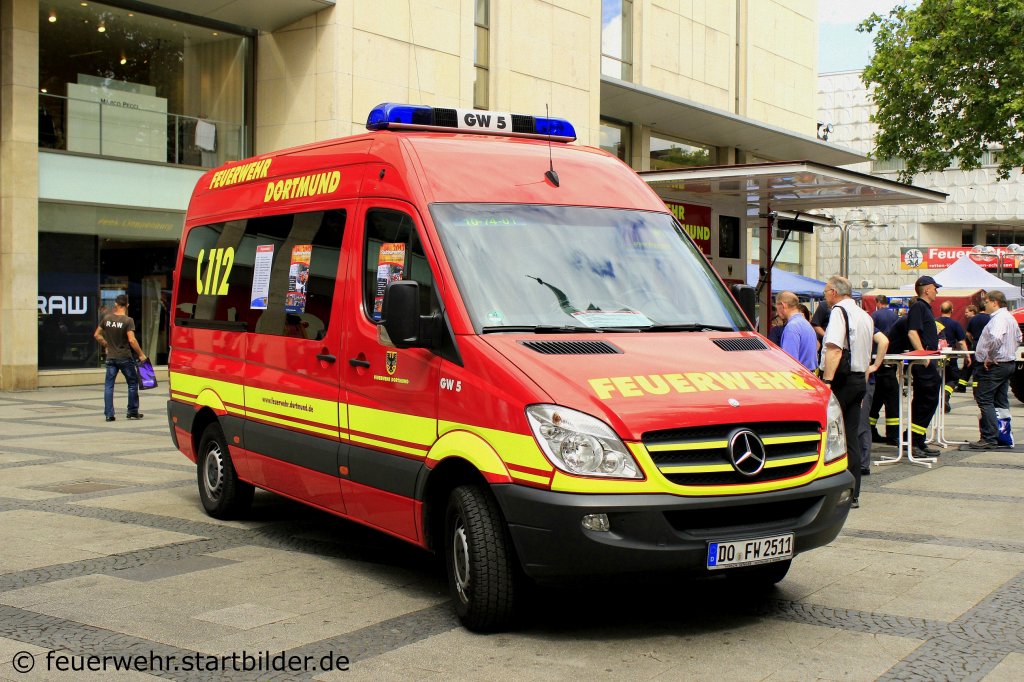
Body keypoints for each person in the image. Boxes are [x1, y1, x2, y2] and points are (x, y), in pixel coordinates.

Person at [819, 276, 887, 509]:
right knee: (852, 437)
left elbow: (834, 349)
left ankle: (833, 491)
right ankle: (854, 493)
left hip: (841, 380)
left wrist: (827, 382)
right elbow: (872, 348)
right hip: (859, 380)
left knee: (833, 437)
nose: (825, 296)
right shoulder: (864, 315)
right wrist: (869, 373)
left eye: (826, 291)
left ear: (834, 292)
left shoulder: (839, 312)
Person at [968, 290, 1021, 449]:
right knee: (1000, 400)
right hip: (1007, 363)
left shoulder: (999, 319)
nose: (984, 305)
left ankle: (989, 437)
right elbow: (1019, 338)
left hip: (996, 365)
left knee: (984, 398)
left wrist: (990, 357)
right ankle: (1002, 435)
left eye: (986, 302)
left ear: (994, 302)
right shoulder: (1009, 317)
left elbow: (996, 338)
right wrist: (1009, 351)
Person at [93, 294, 146, 422]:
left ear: (116, 304)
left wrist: (107, 345)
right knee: (132, 383)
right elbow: (132, 340)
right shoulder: (128, 321)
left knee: (109, 386)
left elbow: (97, 335)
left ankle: (109, 414)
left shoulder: (107, 318)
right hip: (124, 357)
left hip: (111, 358)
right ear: (127, 305)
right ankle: (132, 411)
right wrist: (141, 354)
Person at [906, 276, 942, 457]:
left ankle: (917, 439)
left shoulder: (925, 308)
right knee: (926, 400)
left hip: (928, 358)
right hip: (924, 360)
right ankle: (913, 440)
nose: (937, 292)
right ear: (927, 289)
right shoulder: (918, 307)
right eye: (935, 288)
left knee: (926, 400)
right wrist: (923, 355)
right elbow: (912, 332)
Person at [868, 295, 900, 444]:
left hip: (876, 360)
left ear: (877, 303)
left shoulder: (874, 316)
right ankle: (893, 433)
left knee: (876, 399)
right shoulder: (895, 317)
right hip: (891, 361)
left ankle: (870, 429)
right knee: (892, 400)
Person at [936, 300, 970, 412]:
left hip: (936, 355)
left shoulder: (934, 322)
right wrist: (967, 356)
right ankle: (945, 395)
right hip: (950, 356)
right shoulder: (955, 324)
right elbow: (961, 342)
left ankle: (938, 398)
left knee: (938, 377)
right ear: (952, 310)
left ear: (940, 310)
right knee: (953, 378)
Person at [775, 291, 817, 372]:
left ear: (783, 305)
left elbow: (789, 363)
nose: (777, 313)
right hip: (810, 374)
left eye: (777, 308)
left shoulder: (791, 327)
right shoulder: (806, 324)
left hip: (798, 375)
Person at [957, 303, 990, 392]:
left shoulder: (973, 319)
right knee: (982, 367)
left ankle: (962, 386)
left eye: (967, 312)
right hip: (987, 346)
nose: (965, 314)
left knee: (971, 365)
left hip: (975, 345)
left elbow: (968, 333)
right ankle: (979, 387)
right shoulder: (990, 318)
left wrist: (972, 341)